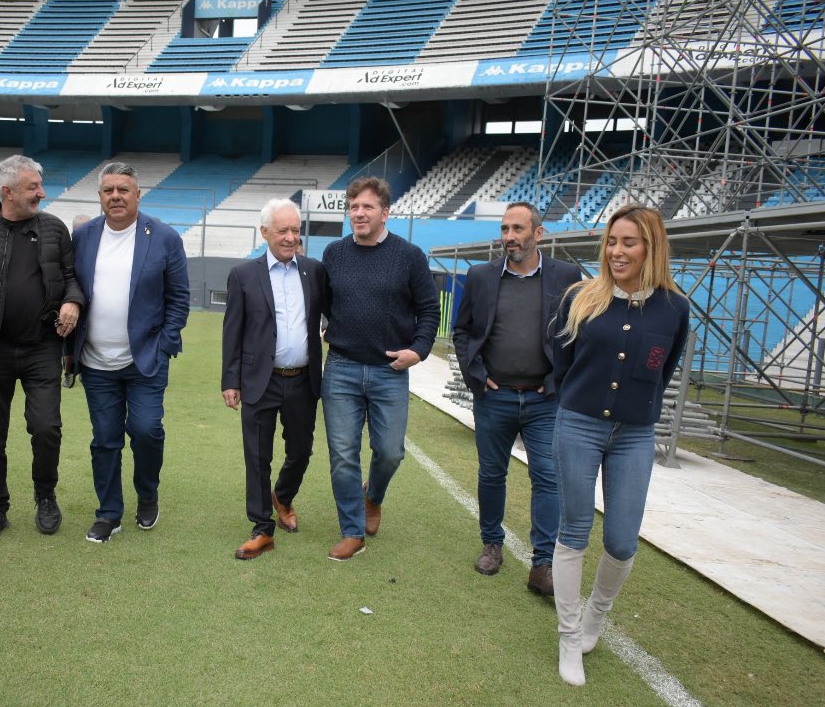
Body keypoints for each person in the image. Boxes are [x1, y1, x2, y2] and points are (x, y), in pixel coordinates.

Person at [550, 204, 690, 686]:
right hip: (579, 424)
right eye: (612, 241)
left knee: (623, 540)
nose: (617, 251)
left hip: (634, 433)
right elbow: (560, 362)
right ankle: (569, 637)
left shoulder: (674, 307)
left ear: (651, 248)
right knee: (574, 529)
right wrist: (575, 403)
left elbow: (662, 371)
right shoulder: (581, 297)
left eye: (629, 242)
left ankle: (595, 618)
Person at [452, 202, 582, 596]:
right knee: (492, 474)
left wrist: (557, 379)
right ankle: (492, 543)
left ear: (538, 234)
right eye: (505, 229)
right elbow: (463, 332)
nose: (509, 237)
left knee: (547, 476)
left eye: (518, 229)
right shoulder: (480, 276)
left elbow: (575, 333)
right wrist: (476, 375)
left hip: (545, 400)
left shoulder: (567, 276)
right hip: (496, 397)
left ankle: (542, 562)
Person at [67, 162, 190, 543]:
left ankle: (148, 492)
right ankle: (109, 513)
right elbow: (71, 282)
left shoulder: (165, 237)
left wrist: (166, 342)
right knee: (104, 438)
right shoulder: (84, 236)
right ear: (100, 197)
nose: (116, 196)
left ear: (138, 194)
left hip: (146, 359)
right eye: (108, 190)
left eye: (123, 189)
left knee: (146, 430)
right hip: (95, 362)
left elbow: (179, 298)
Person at [320, 176, 440, 561]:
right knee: (342, 453)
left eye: (367, 207)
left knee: (390, 453)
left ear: (385, 212)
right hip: (340, 370)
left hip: (390, 372)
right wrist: (326, 326)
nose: (359, 213)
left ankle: (374, 497)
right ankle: (352, 531)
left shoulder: (409, 256)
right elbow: (323, 302)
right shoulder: (334, 254)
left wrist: (418, 352)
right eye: (354, 207)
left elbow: (429, 310)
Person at [0, 155, 85, 542]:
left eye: (40, 185)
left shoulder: (52, 228)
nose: (41, 193)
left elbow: (72, 278)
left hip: (41, 347)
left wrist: (73, 302)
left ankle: (45, 496)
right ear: (7, 191)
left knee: (47, 427)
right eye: (33, 187)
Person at [221, 199, 326, 560]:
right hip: (258, 380)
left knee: (301, 451)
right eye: (283, 230)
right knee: (257, 456)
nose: (290, 237)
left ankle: (283, 495)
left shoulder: (314, 271)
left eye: (296, 230)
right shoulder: (243, 275)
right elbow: (232, 331)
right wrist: (230, 380)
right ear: (264, 232)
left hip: (303, 380)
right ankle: (262, 527)